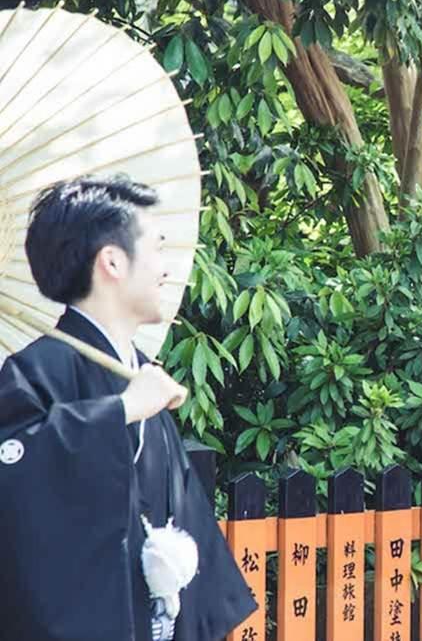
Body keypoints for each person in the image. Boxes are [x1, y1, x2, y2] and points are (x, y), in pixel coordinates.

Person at [0, 176, 256, 640]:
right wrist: (119, 411)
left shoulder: (143, 375)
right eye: (157, 247)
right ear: (112, 261)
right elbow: (13, 479)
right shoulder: (35, 374)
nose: (166, 268)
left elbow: (183, 521)